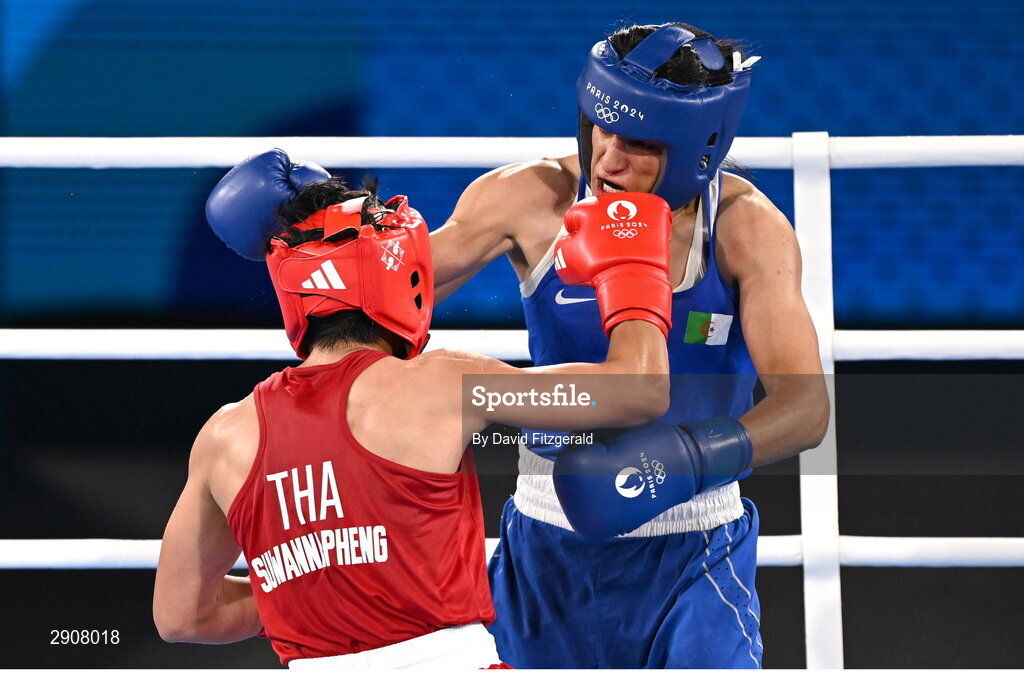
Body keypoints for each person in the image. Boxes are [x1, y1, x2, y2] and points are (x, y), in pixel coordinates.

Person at [152, 149, 676, 668]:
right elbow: (639, 391)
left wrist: (320, 585)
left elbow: (182, 617)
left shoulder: (225, 436)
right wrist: (634, 272)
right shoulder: (442, 383)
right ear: (401, 276)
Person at [429, 22, 830, 668]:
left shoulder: (746, 229)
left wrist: (689, 458)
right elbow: (397, 295)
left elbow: (806, 408)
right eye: (599, 129)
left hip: (694, 553)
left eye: (638, 143)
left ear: (700, 147)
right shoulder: (531, 200)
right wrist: (323, 245)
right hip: (546, 550)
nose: (607, 158)